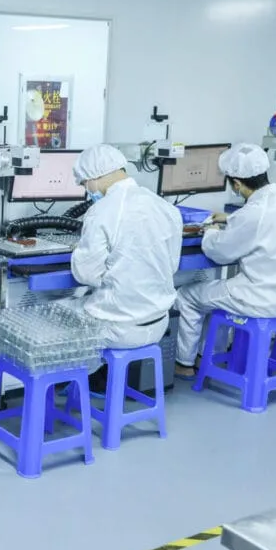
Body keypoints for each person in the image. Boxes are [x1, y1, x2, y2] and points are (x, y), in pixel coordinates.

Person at [173, 143, 276, 380]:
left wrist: (211, 232)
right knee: (216, 294)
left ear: (236, 184)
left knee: (187, 296)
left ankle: (184, 363)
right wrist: (232, 219)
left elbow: (220, 252)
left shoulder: (252, 214)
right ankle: (208, 356)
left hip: (260, 297)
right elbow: (262, 222)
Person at [70, 144, 183, 394]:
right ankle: (96, 379)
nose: (87, 190)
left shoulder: (101, 211)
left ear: (95, 176)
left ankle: (74, 386)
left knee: (58, 313)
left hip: (119, 329)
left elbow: (86, 274)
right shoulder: (165, 207)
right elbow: (172, 265)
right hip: (158, 322)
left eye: (85, 183)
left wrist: (79, 250)